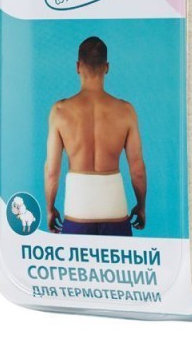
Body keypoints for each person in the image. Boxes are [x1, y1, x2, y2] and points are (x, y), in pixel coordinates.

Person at [44, 36, 146, 236]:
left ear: (77, 66)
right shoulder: (126, 111)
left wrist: (49, 209)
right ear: (107, 67)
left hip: (77, 211)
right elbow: (137, 169)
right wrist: (141, 207)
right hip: (115, 211)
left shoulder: (60, 111)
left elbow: (51, 172)